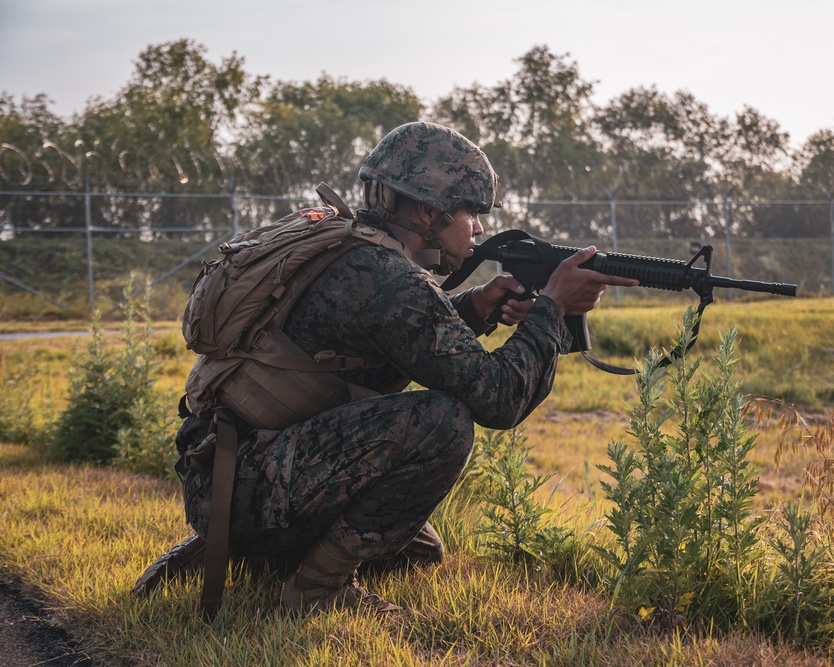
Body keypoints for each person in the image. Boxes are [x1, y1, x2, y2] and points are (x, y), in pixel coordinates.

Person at [134, 121, 638, 615]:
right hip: (250, 483)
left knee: (419, 550)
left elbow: (383, 347)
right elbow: (499, 400)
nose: (481, 228)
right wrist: (553, 308)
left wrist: (476, 306)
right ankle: (315, 588)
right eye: (471, 212)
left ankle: (234, 545)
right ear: (427, 208)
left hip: (224, 468)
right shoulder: (388, 279)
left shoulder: (349, 247)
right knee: (443, 424)